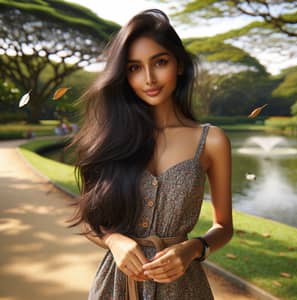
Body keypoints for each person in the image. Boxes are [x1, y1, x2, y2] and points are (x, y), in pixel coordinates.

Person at [68, 8, 233, 300]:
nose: (149, 78)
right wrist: (114, 240)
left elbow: (224, 227)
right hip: (116, 287)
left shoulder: (212, 141)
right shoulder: (108, 137)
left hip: (184, 286)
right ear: (124, 75)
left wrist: (193, 248)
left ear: (179, 65)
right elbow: (89, 219)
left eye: (159, 62)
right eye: (134, 67)